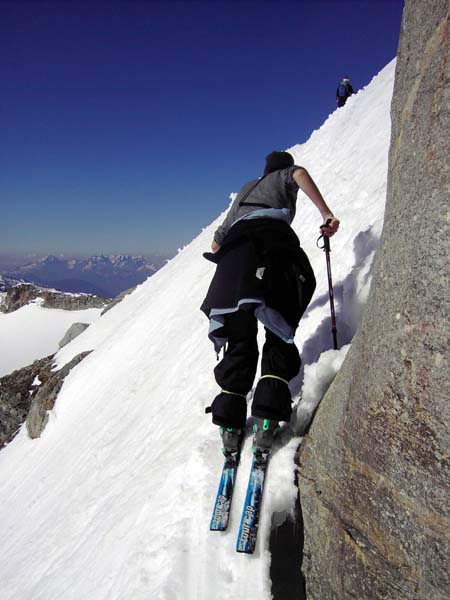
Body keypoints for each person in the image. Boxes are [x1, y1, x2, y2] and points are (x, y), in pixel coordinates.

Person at [200, 151, 340, 455]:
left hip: (234, 260)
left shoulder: (248, 188)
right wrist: (326, 214)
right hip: (272, 248)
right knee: (278, 329)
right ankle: (266, 416)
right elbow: (299, 174)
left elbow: (216, 242)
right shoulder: (284, 176)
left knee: (239, 337)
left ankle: (229, 422)